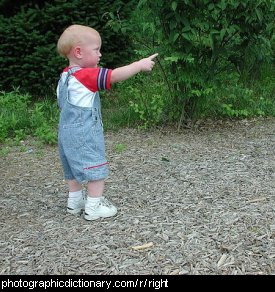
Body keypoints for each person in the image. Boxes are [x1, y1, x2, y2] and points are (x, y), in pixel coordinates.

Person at [56, 24, 158, 221]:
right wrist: (139, 65)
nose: (100, 54)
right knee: (95, 165)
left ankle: (74, 202)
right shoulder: (85, 75)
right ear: (78, 52)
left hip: (65, 131)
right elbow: (113, 76)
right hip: (84, 130)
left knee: (71, 167)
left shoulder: (65, 76)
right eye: (96, 50)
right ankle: (94, 206)